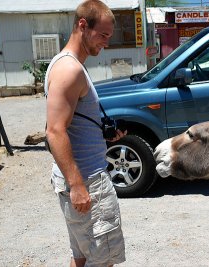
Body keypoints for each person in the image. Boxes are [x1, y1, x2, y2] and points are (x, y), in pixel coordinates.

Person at [44, 1, 126, 266]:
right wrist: (77, 185)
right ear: (82, 25)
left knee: (81, 257)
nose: (106, 43)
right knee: (102, 260)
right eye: (102, 35)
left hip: (83, 179)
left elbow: (72, 124)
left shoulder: (67, 64)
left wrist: (102, 136)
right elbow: (55, 131)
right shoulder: (70, 69)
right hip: (88, 182)